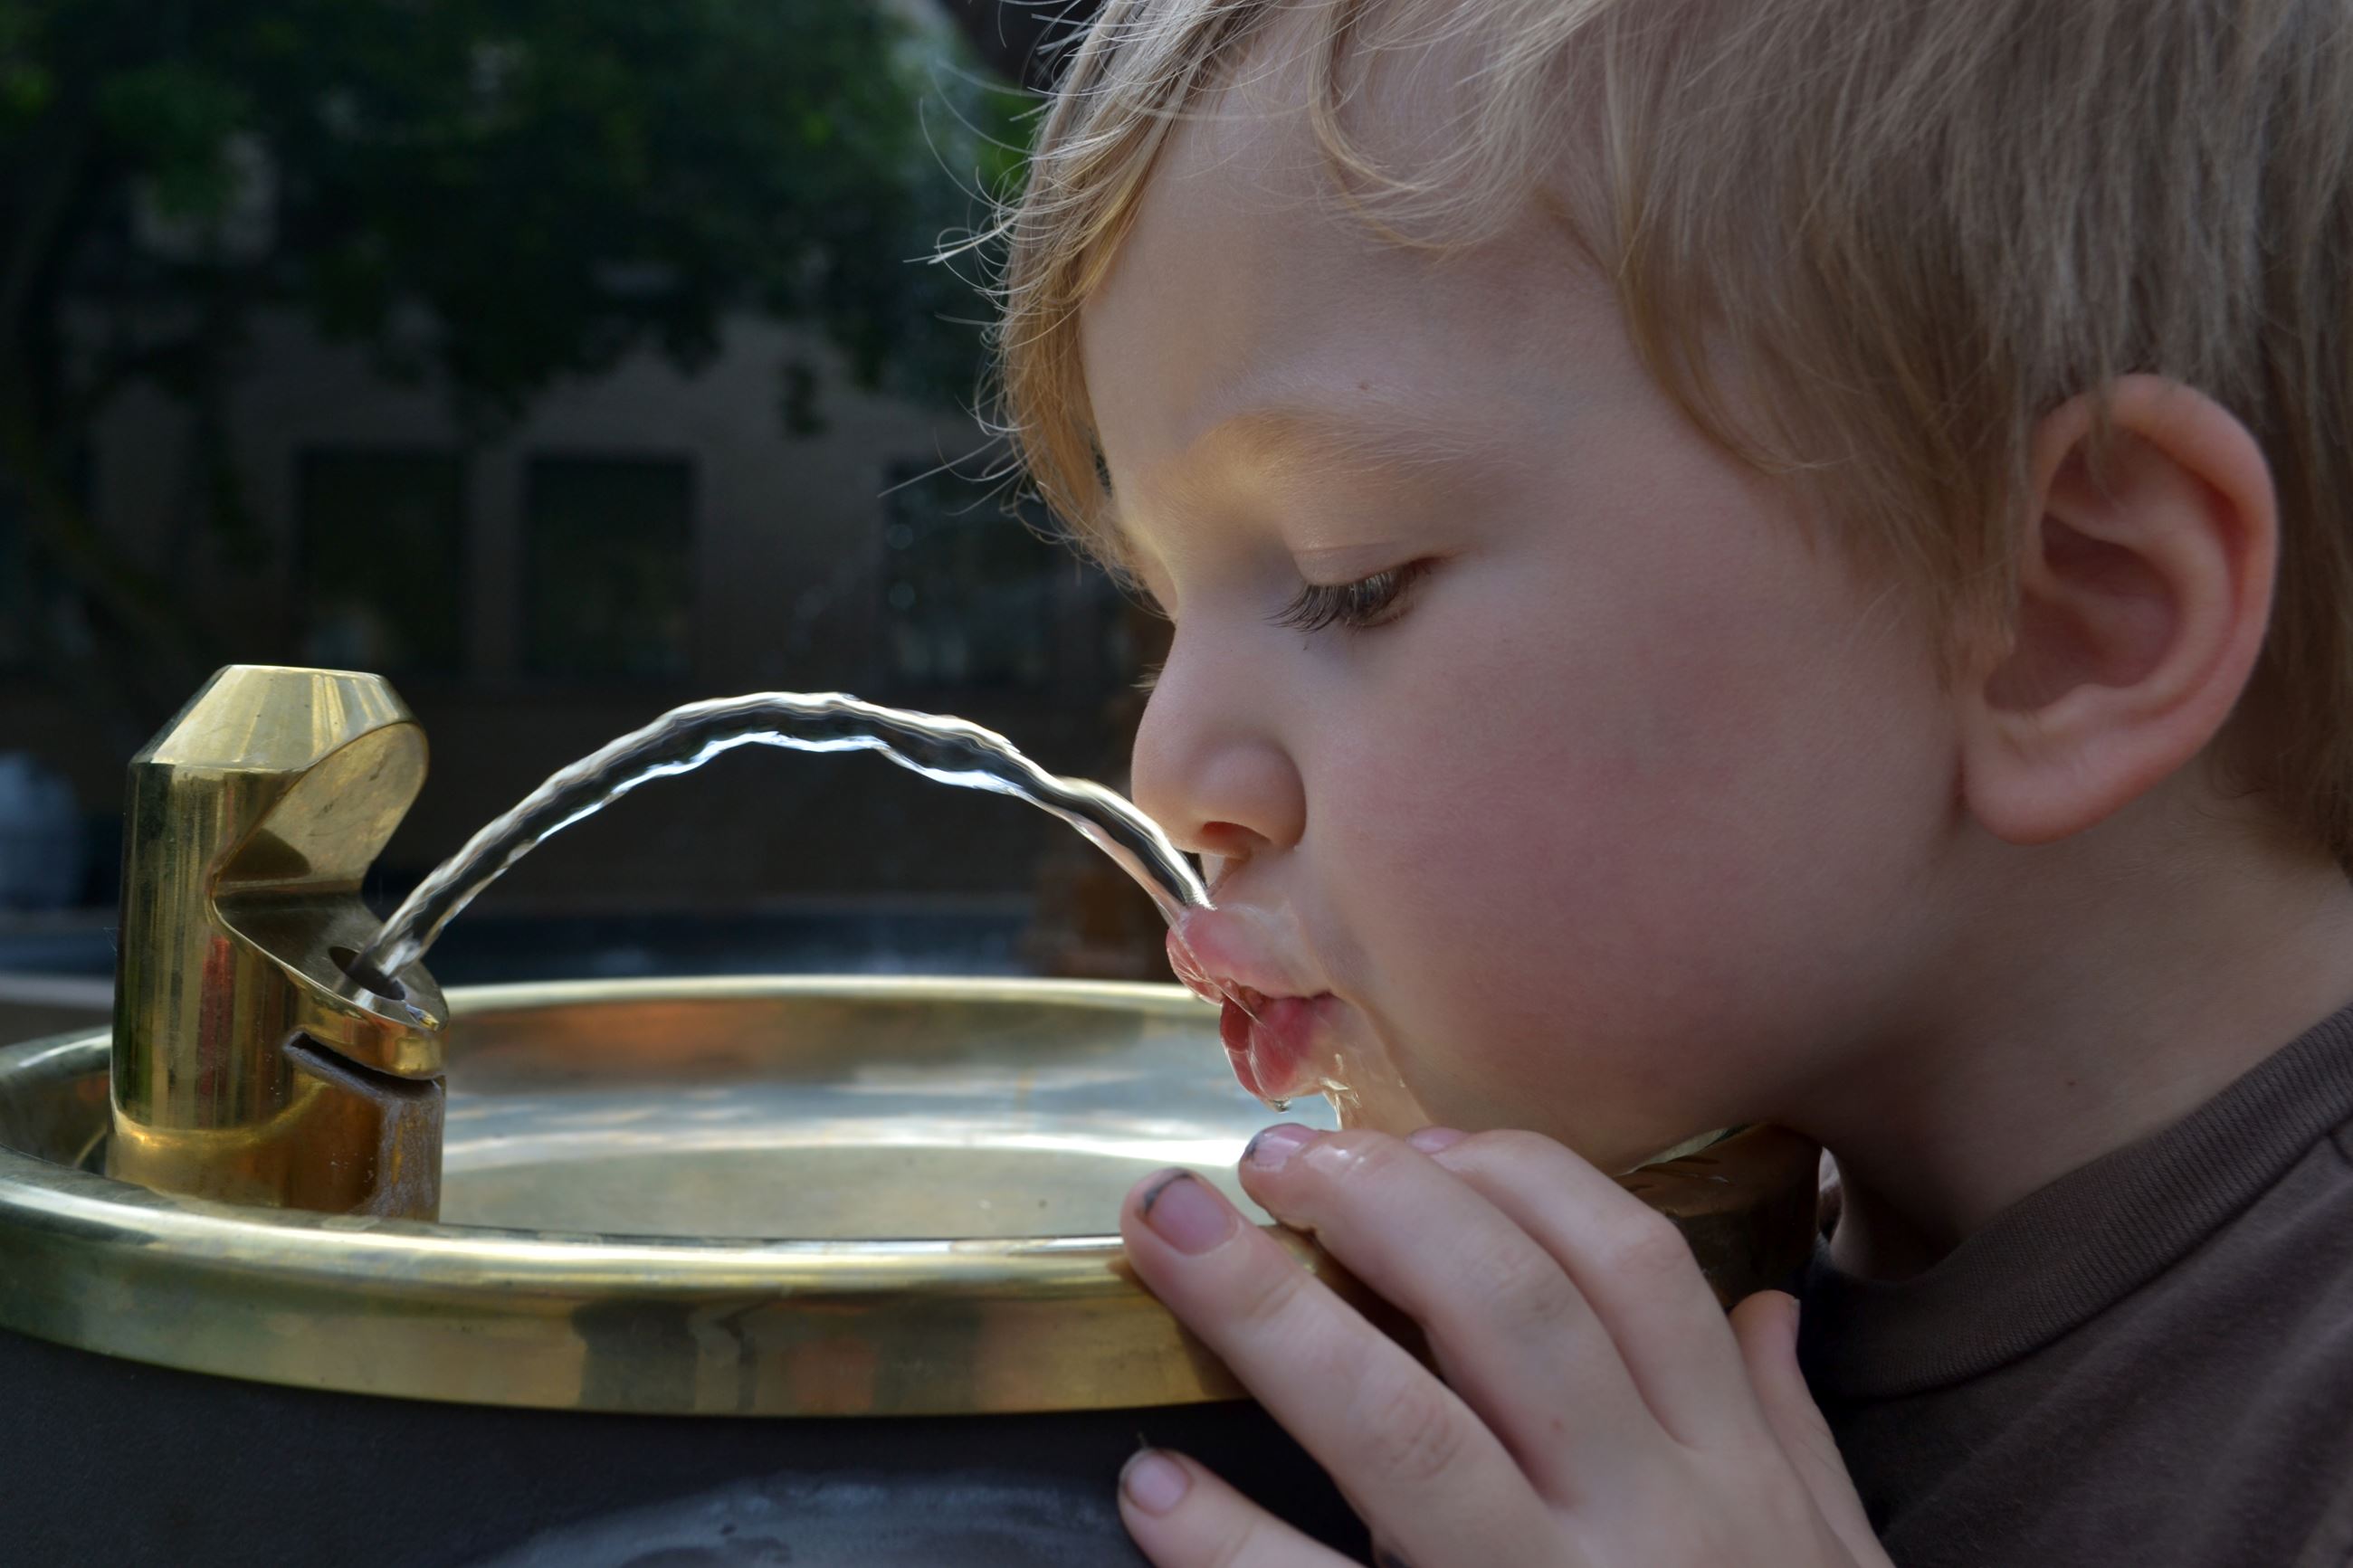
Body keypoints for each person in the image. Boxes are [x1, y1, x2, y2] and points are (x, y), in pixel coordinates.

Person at [984, 1, 2353, 1563]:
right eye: (1164, 606)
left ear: (2062, 621)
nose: (1170, 775)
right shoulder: (1741, 1202)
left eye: (1350, 578)